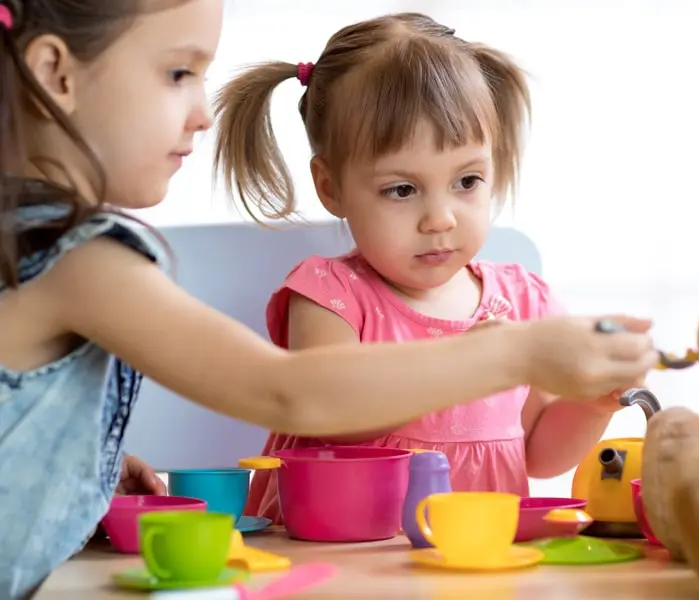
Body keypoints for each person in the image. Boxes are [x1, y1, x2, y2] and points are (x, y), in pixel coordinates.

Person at [0, 1, 656, 597]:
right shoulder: (75, 259)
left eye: (467, 181)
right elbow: (294, 395)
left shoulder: (47, 249)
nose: (203, 113)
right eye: (178, 73)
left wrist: (83, 479)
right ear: (56, 72)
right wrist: (511, 354)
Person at [211, 12, 658, 524]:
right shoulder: (329, 294)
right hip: (343, 558)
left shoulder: (525, 302)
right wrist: (476, 361)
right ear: (331, 187)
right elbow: (338, 415)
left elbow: (540, 456)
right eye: (401, 189)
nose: (440, 218)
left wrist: (592, 404)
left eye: (467, 181)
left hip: (473, 556)